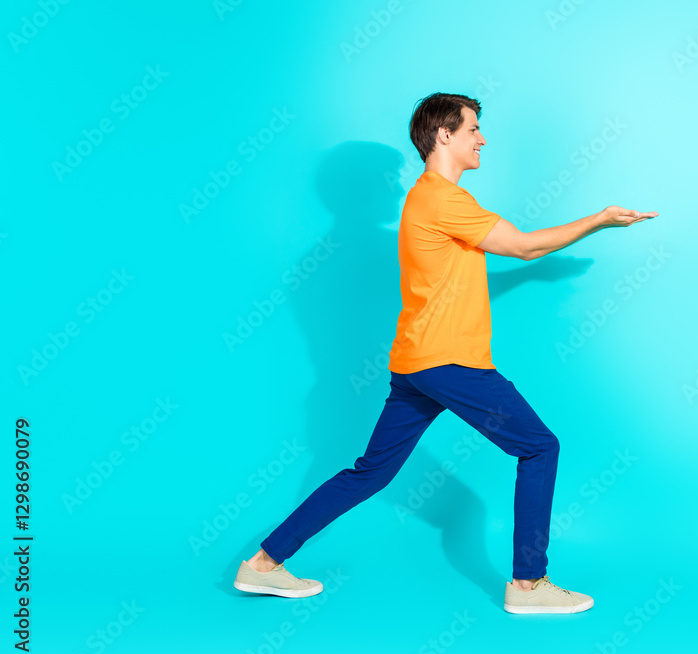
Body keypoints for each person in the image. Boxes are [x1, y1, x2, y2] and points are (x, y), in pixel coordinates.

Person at [233, 92, 658, 614]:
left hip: (415, 364)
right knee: (539, 448)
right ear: (444, 134)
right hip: (450, 362)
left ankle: (262, 564)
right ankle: (528, 585)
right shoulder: (442, 199)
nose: (483, 139)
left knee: (371, 471)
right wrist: (601, 220)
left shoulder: (423, 200)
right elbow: (524, 246)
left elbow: (453, 279)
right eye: (473, 129)